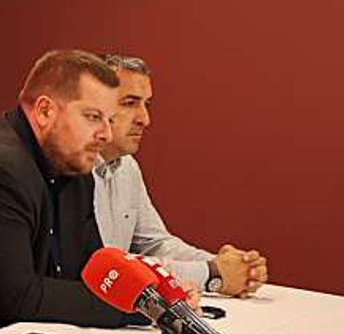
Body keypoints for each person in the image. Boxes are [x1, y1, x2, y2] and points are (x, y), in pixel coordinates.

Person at [0, 49, 131, 334]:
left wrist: (155, 296)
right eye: (93, 117)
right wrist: (132, 307)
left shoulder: (74, 167)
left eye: (110, 120)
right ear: (44, 111)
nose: (106, 134)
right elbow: (18, 297)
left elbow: (96, 272)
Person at [94, 54, 268, 297]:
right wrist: (212, 274)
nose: (145, 119)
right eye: (130, 103)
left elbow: (156, 244)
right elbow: (110, 272)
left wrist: (228, 266)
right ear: (96, 106)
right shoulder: (74, 171)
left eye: (147, 105)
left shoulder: (127, 168)